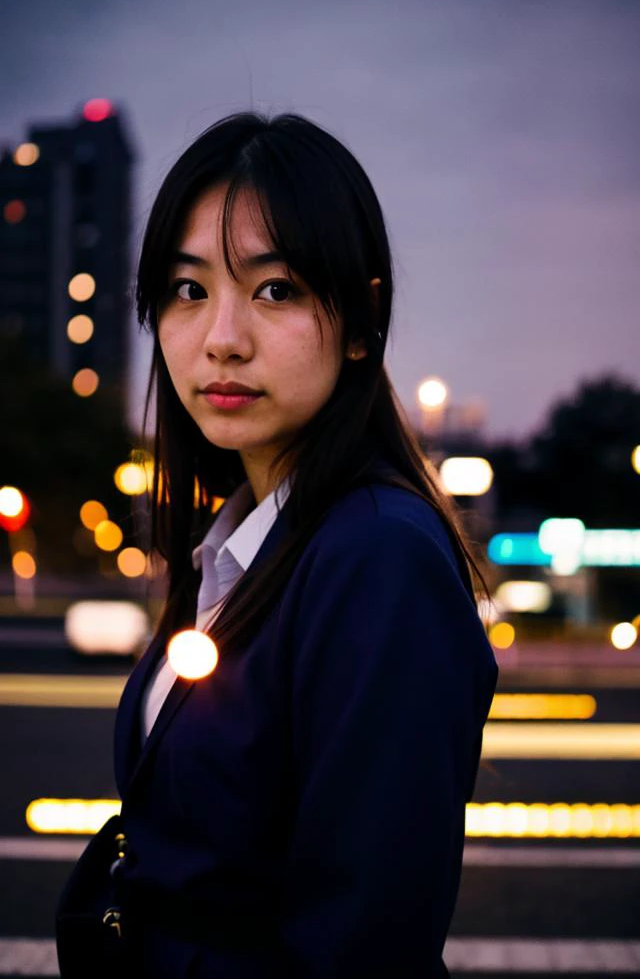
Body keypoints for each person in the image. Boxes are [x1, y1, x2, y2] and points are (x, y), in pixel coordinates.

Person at [56, 111, 499, 978]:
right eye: (188, 290)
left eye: (276, 289)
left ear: (363, 319)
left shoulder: (377, 558)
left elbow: (363, 946)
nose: (222, 336)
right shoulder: (240, 546)